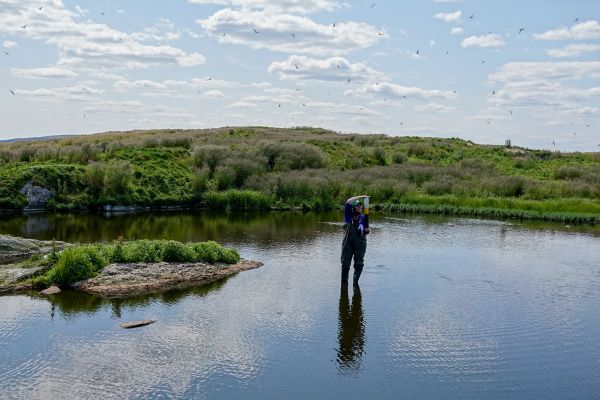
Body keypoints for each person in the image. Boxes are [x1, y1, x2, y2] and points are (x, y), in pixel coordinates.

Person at [341, 195, 369, 287]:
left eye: (361, 206)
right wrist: (361, 196)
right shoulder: (348, 215)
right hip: (348, 242)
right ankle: (344, 284)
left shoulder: (364, 217)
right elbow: (349, 200)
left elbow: (367, 230)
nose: (360, 207)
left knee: (359, 264)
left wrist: (366, 230)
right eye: (357, 205)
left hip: (360, 243)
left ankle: (355, 284)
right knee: (345, 263)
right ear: (353, 207)